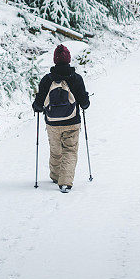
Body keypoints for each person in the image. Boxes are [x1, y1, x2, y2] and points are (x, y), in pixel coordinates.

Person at [33, 44, 90, 193]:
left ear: (54, 60)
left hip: (52, 123)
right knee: (70, 151)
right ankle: (65, 182)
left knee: (56, 150)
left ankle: (55, 175)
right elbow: (84, 103)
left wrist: (37, 107)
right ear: (69, 59)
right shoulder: (76, 78)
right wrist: (85, 102)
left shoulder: (47, 79)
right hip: (72, 122)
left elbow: (39, 103)